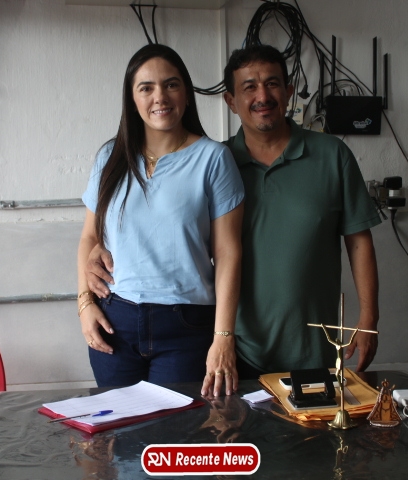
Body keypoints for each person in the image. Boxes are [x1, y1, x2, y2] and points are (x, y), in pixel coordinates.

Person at [86, 44, 380, 384]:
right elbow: (160, 222)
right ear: (230, 100)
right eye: (249, 87)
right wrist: (100, 246)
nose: (262, 96)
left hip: (312, 344)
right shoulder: (218, 161)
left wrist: (368, 318)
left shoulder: (330, 156)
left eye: (272, 84)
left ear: (289, 92)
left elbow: (359, 241)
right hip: (237, 348)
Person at [77, 44, 244, 397]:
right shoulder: (110, 157)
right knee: (119, 427)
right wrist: (85, 305)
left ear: (186, 92)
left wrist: (223, 337)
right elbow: (89, 238)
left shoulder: (213, 159)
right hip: (115, 321)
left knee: (176, 429)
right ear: (132, 98)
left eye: (171, 84)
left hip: (186, 325)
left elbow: (228, 253)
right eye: (146, 88)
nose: (160, 97)